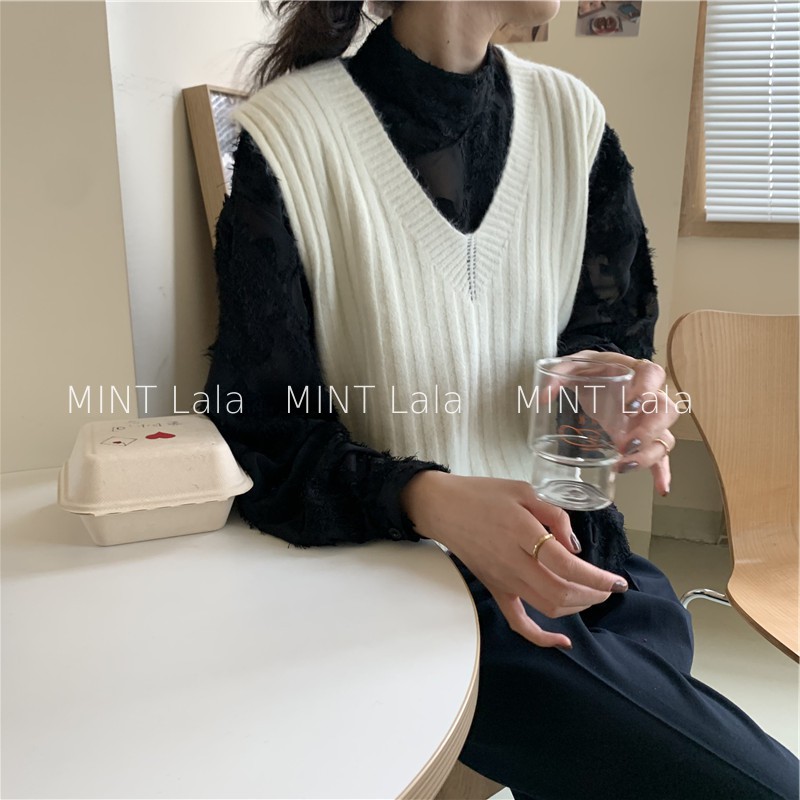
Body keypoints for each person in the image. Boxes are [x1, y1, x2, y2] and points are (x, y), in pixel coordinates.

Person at [204, 2, 799, 797]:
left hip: (582, 555)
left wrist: (623, 398)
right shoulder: (291, 138)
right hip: (414, 588)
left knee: (658, 635)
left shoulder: (573, 120)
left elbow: (607, 333)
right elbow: (261, 437)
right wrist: (428, 497)